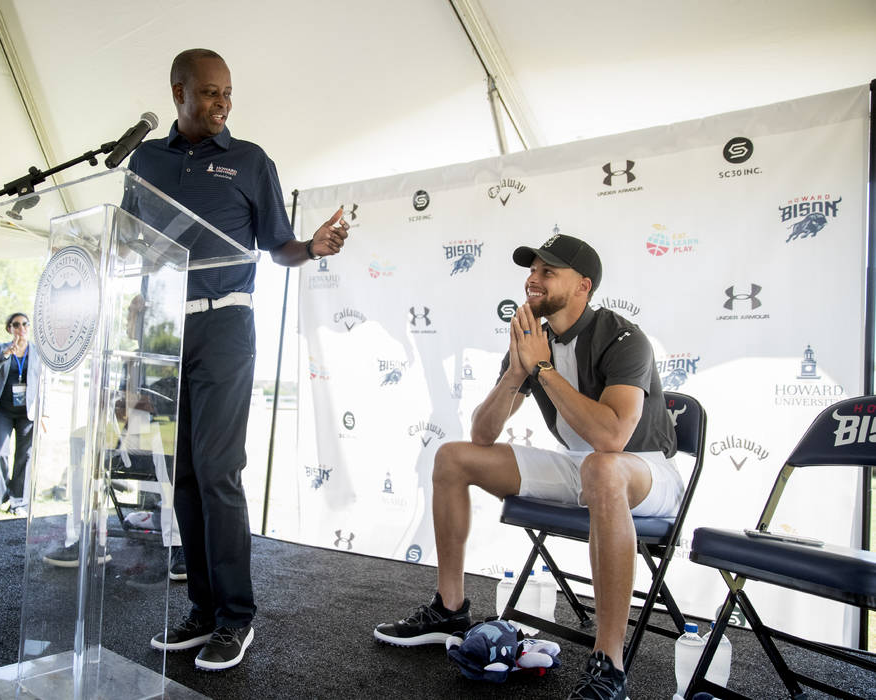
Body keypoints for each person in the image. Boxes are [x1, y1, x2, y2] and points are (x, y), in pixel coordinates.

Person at [373, 233, 680, 700]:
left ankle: (609, 662)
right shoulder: (533, 339)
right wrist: (517, 373)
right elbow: (482, 434)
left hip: (644, 470)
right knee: (452, 457)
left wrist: (544, 370)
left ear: (583, 285)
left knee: (602, 466)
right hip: (583, 465)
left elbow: (612, 438)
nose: (532, 280)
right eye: (531, 270)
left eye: (547, 272)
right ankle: (450, 608)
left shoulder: (622, 336)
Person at [129, 48, 349, 671]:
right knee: (184, 476)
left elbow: (279, 245)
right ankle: (200, 611)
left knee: (218, 470)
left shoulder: (251, 161)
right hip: (167, 332)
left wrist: (314, 245)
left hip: (225, 325)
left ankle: (235, 618)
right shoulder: (144, 161)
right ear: (178, 92)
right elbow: (129, 243)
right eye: (209, 93)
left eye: (227, 93)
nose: (222, 103)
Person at [0, 312, 41, 517]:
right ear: (9, 328)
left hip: (27, 411)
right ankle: (3, 494)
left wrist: (45, 412)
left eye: (25, 324)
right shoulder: (0, 348)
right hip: (2, 410)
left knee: (25, 456)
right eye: (16, 324)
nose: (21, 328)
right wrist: (6, 353)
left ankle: (18, 502)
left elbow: (45, 381)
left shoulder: (38, 351)